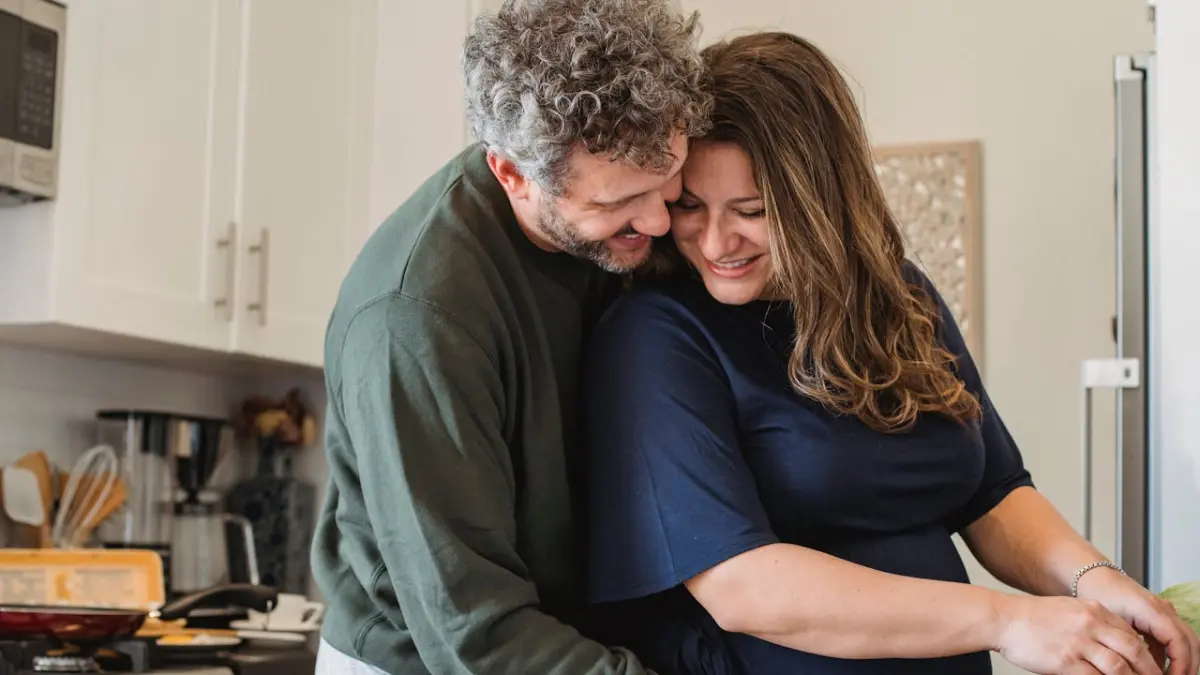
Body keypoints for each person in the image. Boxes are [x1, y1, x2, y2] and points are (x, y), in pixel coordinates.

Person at [581, 31, 1200, 675]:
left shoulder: (897, 293)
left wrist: (1097, 581)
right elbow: (742, 587)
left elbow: (993, 492)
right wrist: (1007, 621)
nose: (715, 242)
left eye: (752, 211)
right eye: (688, 206)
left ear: (819, 202)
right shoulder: (656, 335)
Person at [309, 0, 711, 672]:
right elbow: (474, 632)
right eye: (616, 203)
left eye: (667, 183)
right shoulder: (415, 319)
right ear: (513, 174)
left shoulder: (608, 233)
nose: (659, 222)